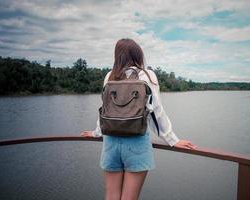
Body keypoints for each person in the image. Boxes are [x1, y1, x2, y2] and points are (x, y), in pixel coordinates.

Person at [80, 38, 197, 200]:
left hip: (111, 143)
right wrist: (172, 140)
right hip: (136, 142)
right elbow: (156, 111)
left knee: (111, 196)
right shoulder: (147, 75)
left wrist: (96, 132)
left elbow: (105, 109)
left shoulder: (110, 76)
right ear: (138, 54)